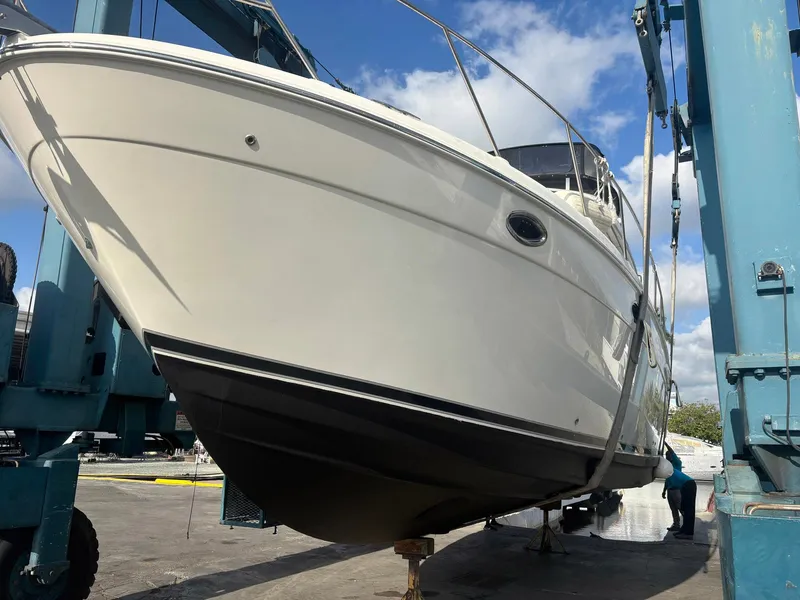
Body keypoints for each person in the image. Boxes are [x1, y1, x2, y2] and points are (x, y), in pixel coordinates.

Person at [662, 446, 696, 540]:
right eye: (666, 455)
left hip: (685, 486)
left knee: (687, 510)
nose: (667, 457)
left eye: (668, 455)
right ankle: (682, 529)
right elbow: (667, 481)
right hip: (679, 487)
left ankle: (688, 533)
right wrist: (664, 491)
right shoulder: (666, 468)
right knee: (682, 508)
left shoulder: (676, 463)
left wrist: (665, 443)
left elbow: (672, 452)